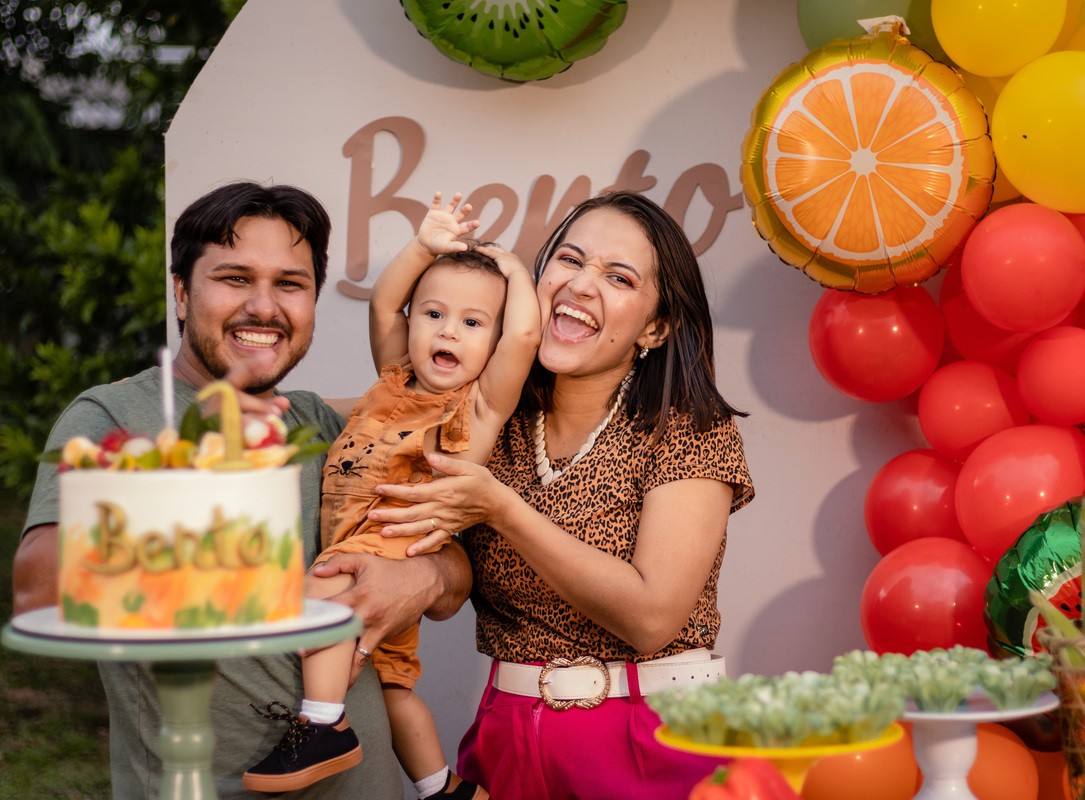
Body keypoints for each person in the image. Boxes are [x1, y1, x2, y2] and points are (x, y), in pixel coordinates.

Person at [12, 181, 472, 800]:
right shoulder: (114, 417)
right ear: (180, 292)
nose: (264, 307)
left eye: (290, 283)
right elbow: (38, 591)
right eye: (233, 278)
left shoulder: (327, 426)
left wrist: (427, 577)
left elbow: (452, 578)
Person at [346, 190, 756, 800]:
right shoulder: (486, 416)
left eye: (618, 277)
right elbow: (444, 587)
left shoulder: (689, 428)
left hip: (655, 742)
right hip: (507, 741)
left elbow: (652, 618)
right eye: (570, 260)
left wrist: (502, 509)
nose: (583, 285)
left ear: (655, 326)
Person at [242, 193, 538, 799]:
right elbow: (382, 302)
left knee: (319, 586)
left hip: (391, 547)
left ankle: (323, 724)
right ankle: (440, 788)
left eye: (474, 323)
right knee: (395, 690)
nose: (448, 329)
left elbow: (527, 333)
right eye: (433, 314)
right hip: (376, 562)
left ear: (496, 342)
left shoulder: (478, 409)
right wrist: (424, 246)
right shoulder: (393, 380)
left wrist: (511, 271)